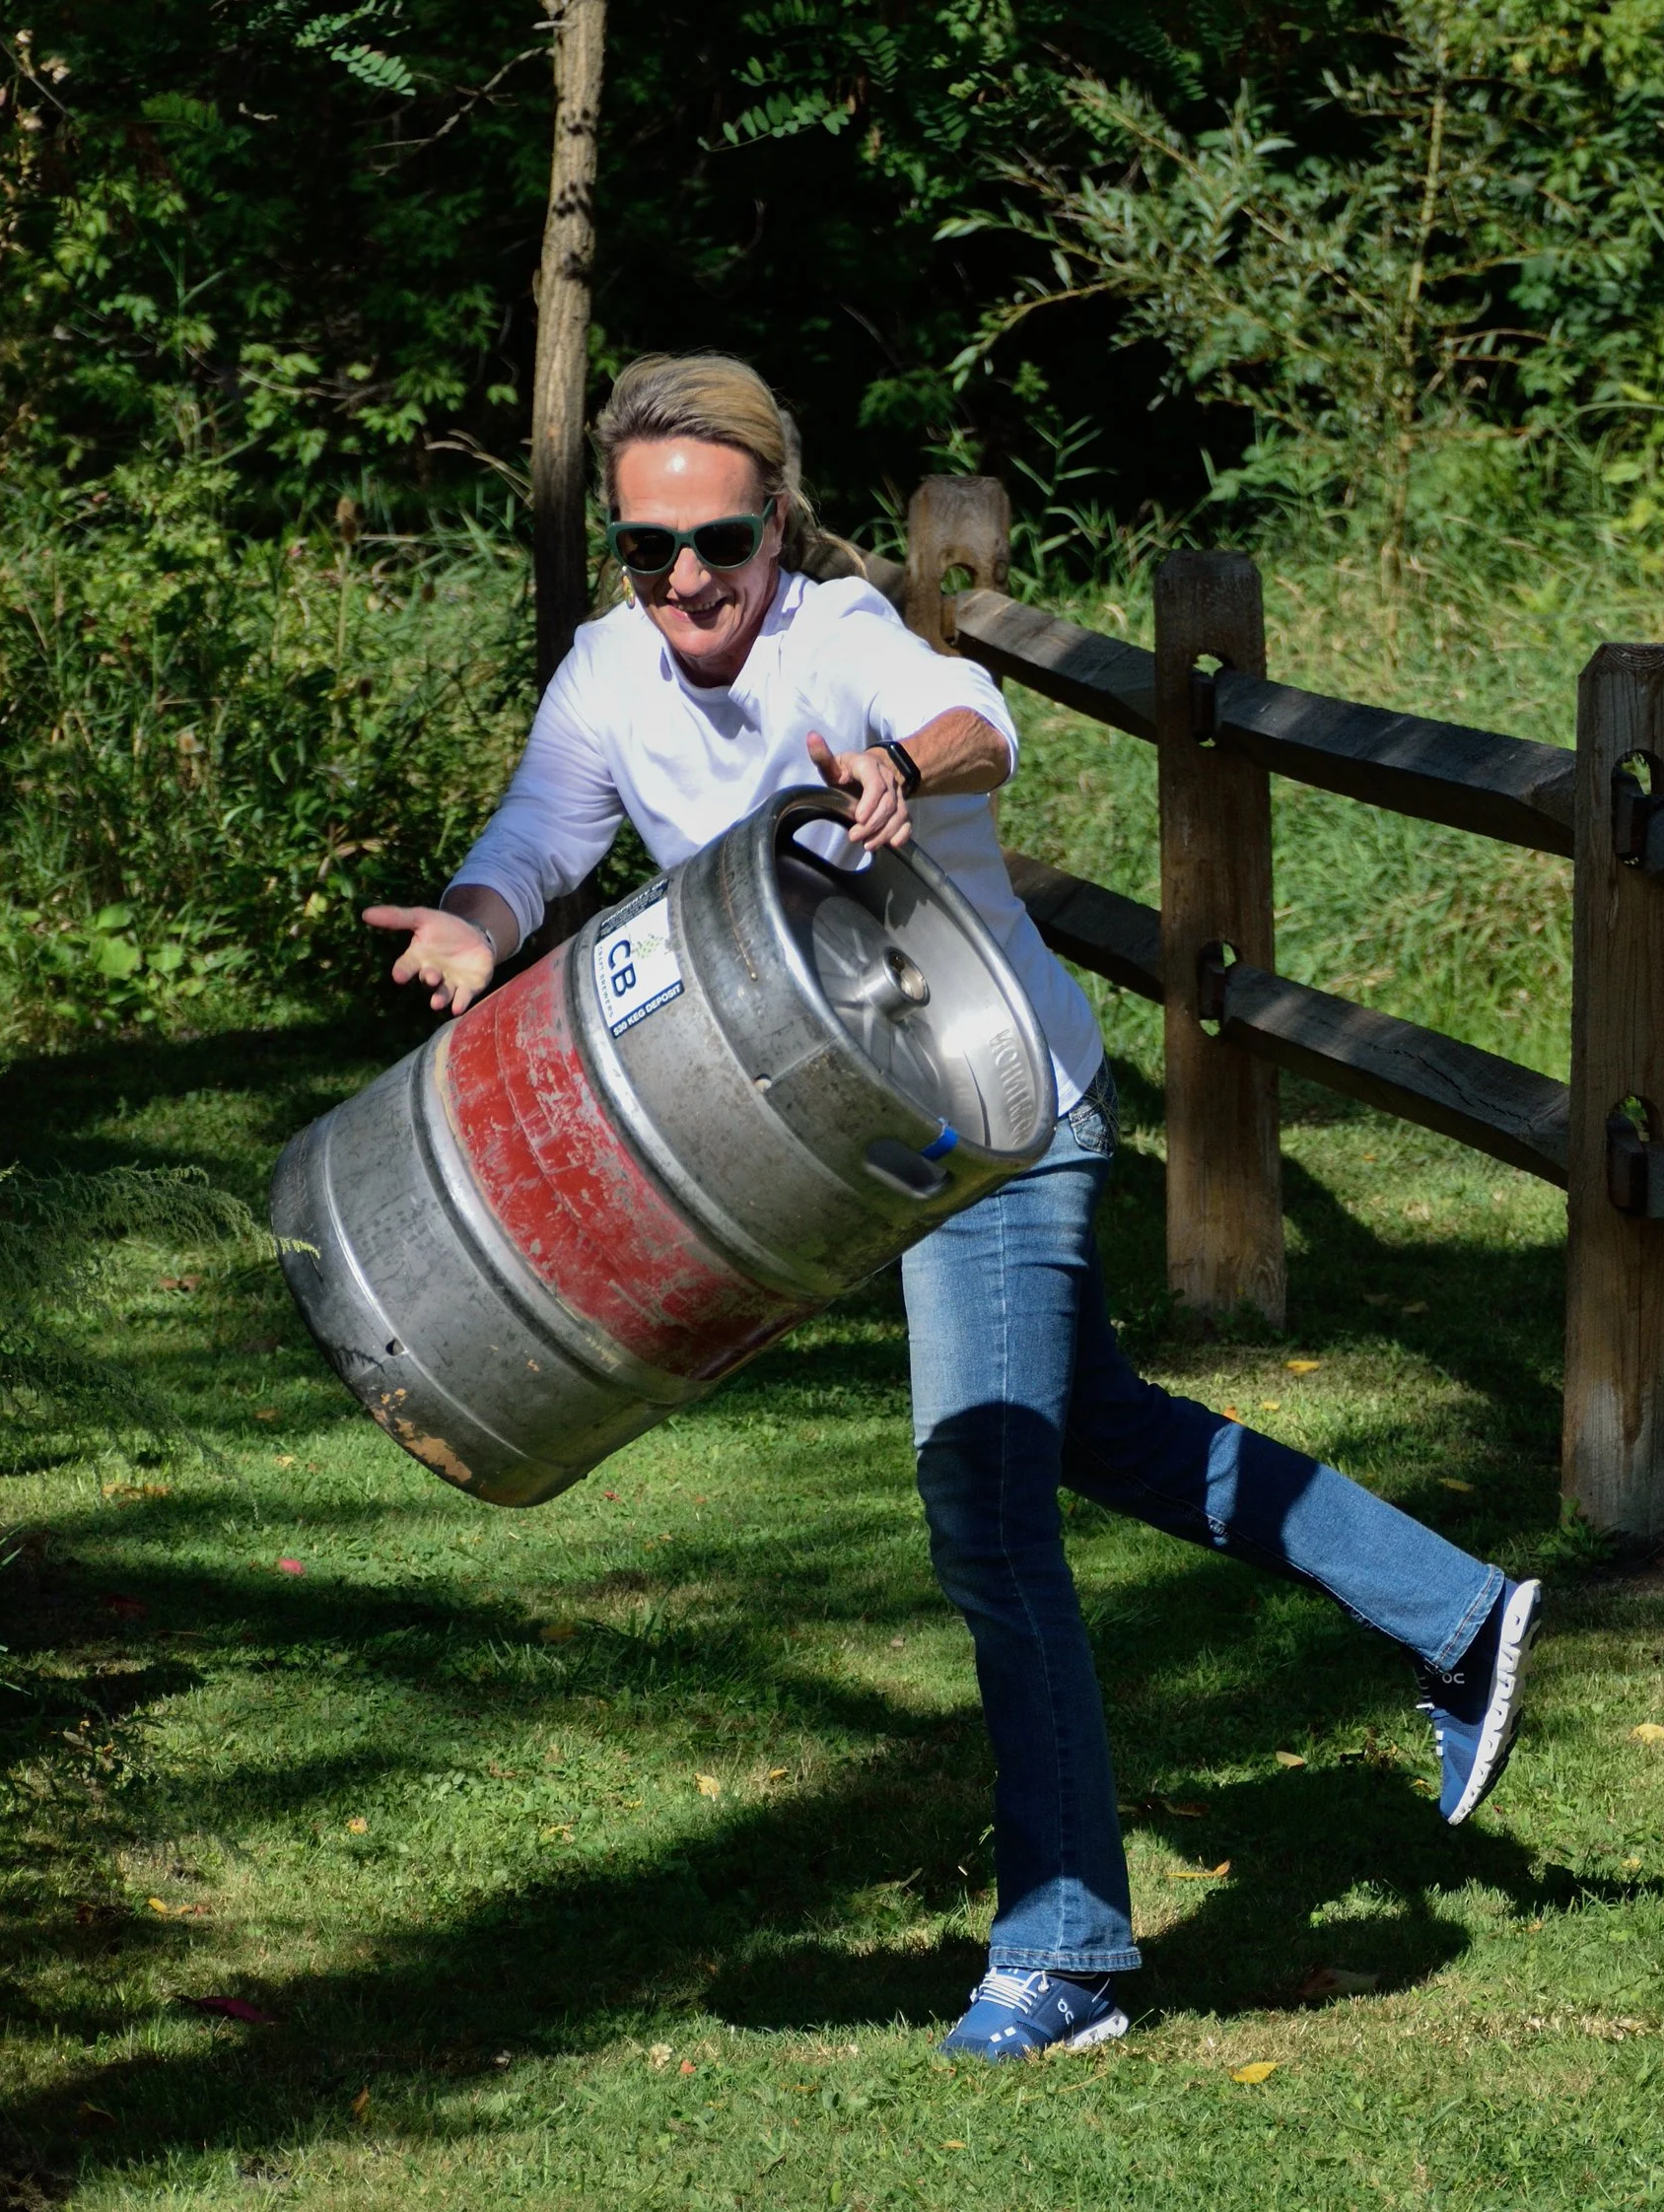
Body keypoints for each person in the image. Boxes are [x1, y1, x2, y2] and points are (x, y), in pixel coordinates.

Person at [364, 353, 1543, 2060]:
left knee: (985, 1504)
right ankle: (1457, 1610)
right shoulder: (611, 670)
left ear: (778, 521)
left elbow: (983, 720)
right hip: (837, 1142)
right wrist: (480, 922)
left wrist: (903, 763)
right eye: (647, 548)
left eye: (720, 540)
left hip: (989, 1119)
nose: (686, 579)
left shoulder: (835, 636)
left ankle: (1066, 1961)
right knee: (1102, 1430)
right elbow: (542, 833)